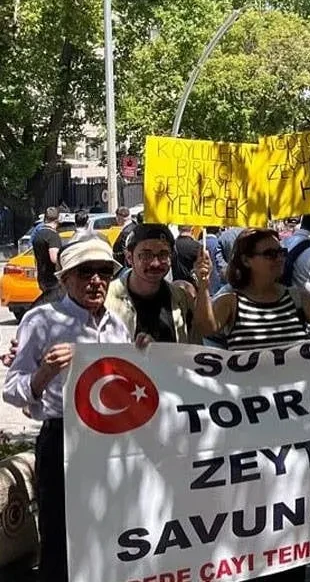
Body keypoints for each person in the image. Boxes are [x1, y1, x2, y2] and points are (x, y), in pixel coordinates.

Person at [3, 239, 133, 582]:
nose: (96, 280)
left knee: (110, 532)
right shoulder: (42, 321)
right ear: (65, 279)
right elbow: (11, 391)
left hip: (112, 442)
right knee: (62, 542)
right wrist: (45, 372)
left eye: (104, 271)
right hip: (63, 439)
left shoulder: (117, 326)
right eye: (84, 272)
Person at [192, 229, 310, 350]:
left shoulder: (296, 297)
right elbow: (206, 328)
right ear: (246, 260)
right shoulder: (231, 301)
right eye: (270, 254)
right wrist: (204, 284)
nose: (280, 259)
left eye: (281, 252)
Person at [106, 224, 198, 345]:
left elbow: (194, 349)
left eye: (163, 255)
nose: (155, 263)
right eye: (146, 255)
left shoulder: (181, 299)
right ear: (129, 257)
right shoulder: (106, 300)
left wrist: (204, 284)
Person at [31, 207, 63, 307]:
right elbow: (54, 258)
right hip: (53, 279)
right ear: (58, 219)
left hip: (42, 277)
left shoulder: (37, 235)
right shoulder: (52, 235)